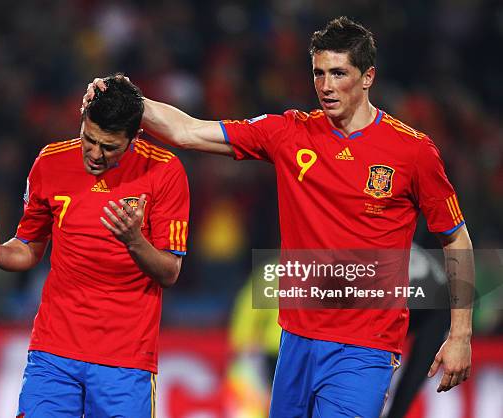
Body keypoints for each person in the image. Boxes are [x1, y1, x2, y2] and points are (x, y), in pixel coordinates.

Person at [84, 17, 474, 418]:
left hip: (365, 348)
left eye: (338, 73)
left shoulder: (412, 152)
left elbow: (456, 237)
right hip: (295, 342)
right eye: (318, 73)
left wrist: (460, 334)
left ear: (367, 77)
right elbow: (189, 132)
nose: (325, 85)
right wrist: (127, 99)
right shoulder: (288, 133)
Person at [0, 76, 190, 417]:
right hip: (53, 352)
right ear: (82, 119)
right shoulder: (50, 162)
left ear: (134, 137)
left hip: (125, 360)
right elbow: (29, 247)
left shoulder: (165, 171)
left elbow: (169, 271)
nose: (96, 155)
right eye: (89, 139)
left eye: (110, 147)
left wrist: (134, 241)